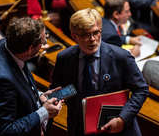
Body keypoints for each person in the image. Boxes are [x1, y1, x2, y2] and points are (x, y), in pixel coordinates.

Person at [50, 8, 149, 136]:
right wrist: (49, 99)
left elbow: (141, 89)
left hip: (117, 130)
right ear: (74, 36)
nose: (93, 39)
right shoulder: (65, 58)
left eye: (96, 32)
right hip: (80, 130)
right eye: (86, 35)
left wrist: (122, 119)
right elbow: (60, 91)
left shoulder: (121, 57)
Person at [0, 17, 63, 136]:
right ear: (30, 48)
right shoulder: (1, 81)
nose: (44, 44)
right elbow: (5, 131)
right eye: (43, 42)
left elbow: (20, 84)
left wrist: (37, 96)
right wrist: (44, 112)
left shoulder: (8, 44)